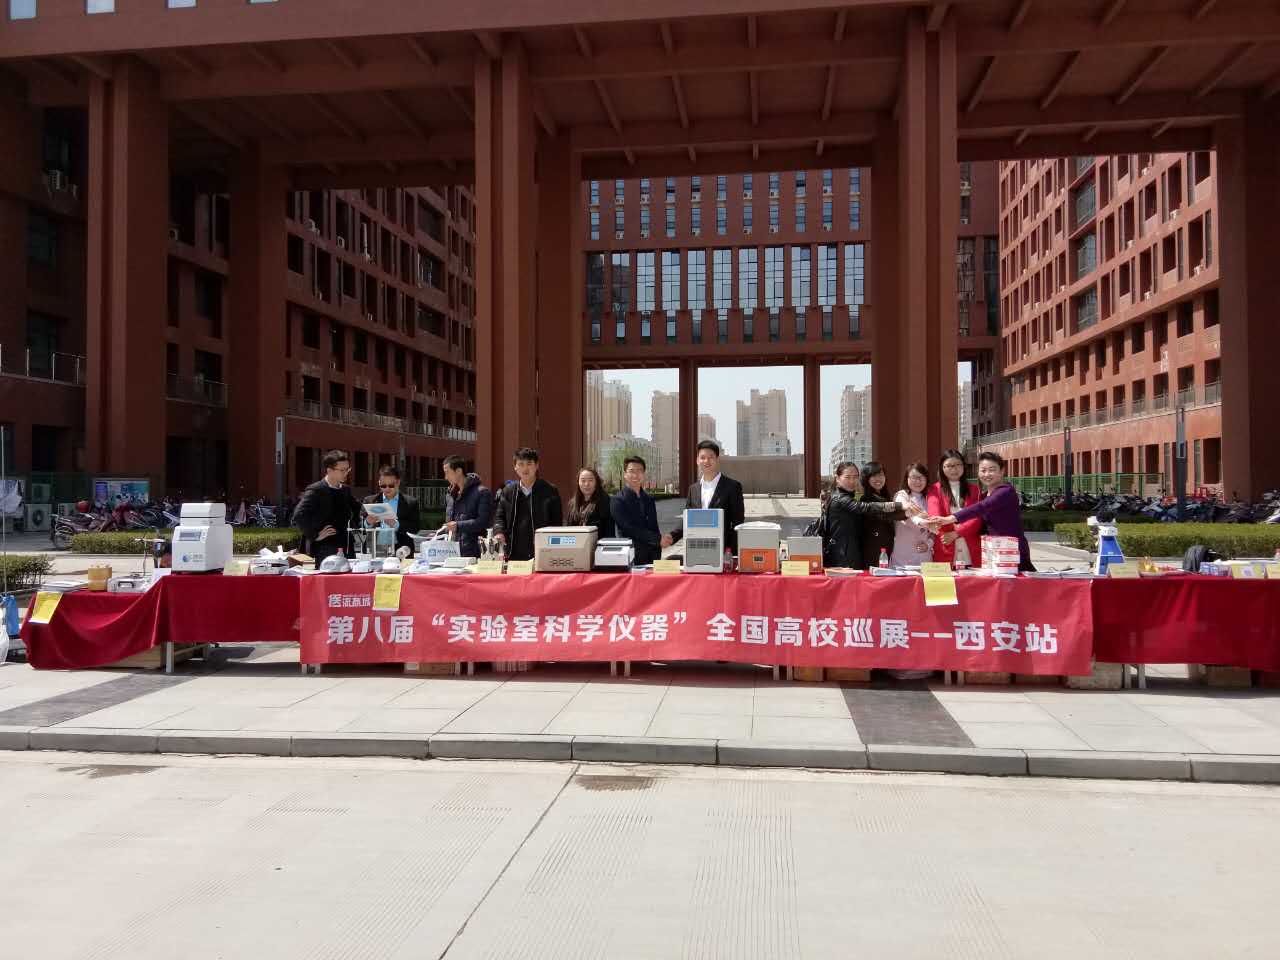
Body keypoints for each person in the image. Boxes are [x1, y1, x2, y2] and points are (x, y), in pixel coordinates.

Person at [927, 451, 1035, 571]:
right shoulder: (985, 494)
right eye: (983, 470)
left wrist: (952, 522)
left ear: (1002, 471)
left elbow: (980, 509)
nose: (987, 474)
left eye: (992, 470)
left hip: (1010, 550)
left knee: (1016, 580)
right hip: (991, 550)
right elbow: (934, 511)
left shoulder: (1004, 491)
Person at [667, 440, 746, 553]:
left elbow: (738, 523)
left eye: (711, 457)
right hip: (697, 548)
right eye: (703, 457)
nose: (706, 461)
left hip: (723, 550)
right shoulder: (693, 489)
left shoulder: (733, 487)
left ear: (717, 459)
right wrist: (672, 536)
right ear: (697, 461)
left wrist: (730, 552)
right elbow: (687, 519)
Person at [821, 461, 902, 570]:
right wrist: (898, 505)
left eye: (855, 477)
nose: (852, 481)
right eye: (848, 477)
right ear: (838, 478)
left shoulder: (850, 495)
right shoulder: (840, 498)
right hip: (842, 557)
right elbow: (863, 507)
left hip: (849, 553)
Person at [492, 447, 563, 562]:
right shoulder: (508, 491)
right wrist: (499, 532)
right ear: (515, 467)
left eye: (529, 464)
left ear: (537, 465)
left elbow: (556, 523)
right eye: (521, 464)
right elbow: (499, 517)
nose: (525, 468)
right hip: (513, 554)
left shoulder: (550, 491)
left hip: (542, 553)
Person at [292, 450, 361, 566]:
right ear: (329, 470)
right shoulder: (316, 490)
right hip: (323, 548)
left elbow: (358, 509)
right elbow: (299, 515)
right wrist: (315, 535)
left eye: (347, 469)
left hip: (345, 546)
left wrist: (370, 517)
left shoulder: (345, 490)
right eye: (342, 470)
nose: (346, 473)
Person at [610, 456, 670, 566]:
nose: (635, 475)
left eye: (639, 471)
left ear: (644, 474)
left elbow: (654, 527)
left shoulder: (649, 499)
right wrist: (657, 539)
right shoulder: (617, 500)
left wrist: (658, 547)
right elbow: (629, 528)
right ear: (625, 474)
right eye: (631, 471)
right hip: (631, 557)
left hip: (653, 556)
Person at [926, 448, 982, 568]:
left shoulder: (974, 489)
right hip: (945, 546)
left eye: (958, 465)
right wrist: (948, 532)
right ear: (942, 468)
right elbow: (934, 515)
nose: (954, 469)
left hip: (970, 547)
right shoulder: (934, 489)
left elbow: (977, 518)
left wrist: (957, 533)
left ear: (963, 466)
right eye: (949, 466)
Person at [858, 460, 909, 569]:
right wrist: (907, 512)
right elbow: (884, 516)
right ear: (866, 479)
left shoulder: (884, 496)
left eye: (881, 475)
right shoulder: (866, 499)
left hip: (885, 547)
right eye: (874, 476)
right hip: (873, 550)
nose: (879, 479)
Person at [362, 465, 421, 555]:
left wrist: (397, 524)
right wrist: (368, 522)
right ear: (379, 483)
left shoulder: (410, 502)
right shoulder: (369, 501)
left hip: (401, 550)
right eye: (383, 486)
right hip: (374, 549)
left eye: (391, 485)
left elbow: (415, 528)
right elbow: (359, 525)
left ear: (398, 482)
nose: (387, 489)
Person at [443, 455, 493, 559]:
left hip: (474, 553)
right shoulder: (450, 495)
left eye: (447, 472)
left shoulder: (482, 492)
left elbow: (483, 522)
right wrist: (439, 534)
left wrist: (458, 525)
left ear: (458, 471)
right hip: (452, 553)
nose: (446, 477)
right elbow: (450, 523)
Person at [890, 462, 935, 568]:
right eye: (914, 477)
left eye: (921, 477)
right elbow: (909, 513)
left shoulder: (930, 498)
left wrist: (929, 544)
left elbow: (935, 528)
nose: (918, 481)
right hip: (903, 556)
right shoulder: (901, 495)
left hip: (924, 555)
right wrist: (922, 522)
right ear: (907, 478)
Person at [565, 466, 615, 540]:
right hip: (575, 544)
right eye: (583, 480)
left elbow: (609, 531)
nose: (586, 484)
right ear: (578, 483)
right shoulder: (572, 504)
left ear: (596, 482)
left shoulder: (605, 502)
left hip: (597, 544)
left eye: (590, 480)